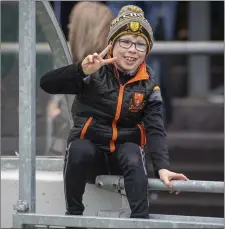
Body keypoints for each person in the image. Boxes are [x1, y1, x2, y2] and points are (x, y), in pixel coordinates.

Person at [40, 5, 188, 219]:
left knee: (132, 150)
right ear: (111, 45)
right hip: (90, 158)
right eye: (125, 41)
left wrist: (162, 167)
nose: (132, 50)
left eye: (140, 44)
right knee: (79, 148)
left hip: (123, 159)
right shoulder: (95, 71)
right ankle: (73, 217)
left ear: (147, 51)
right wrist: (81, 70)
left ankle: (140, 220)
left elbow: (155, 128)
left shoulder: (149, 83)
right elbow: (46, 83)